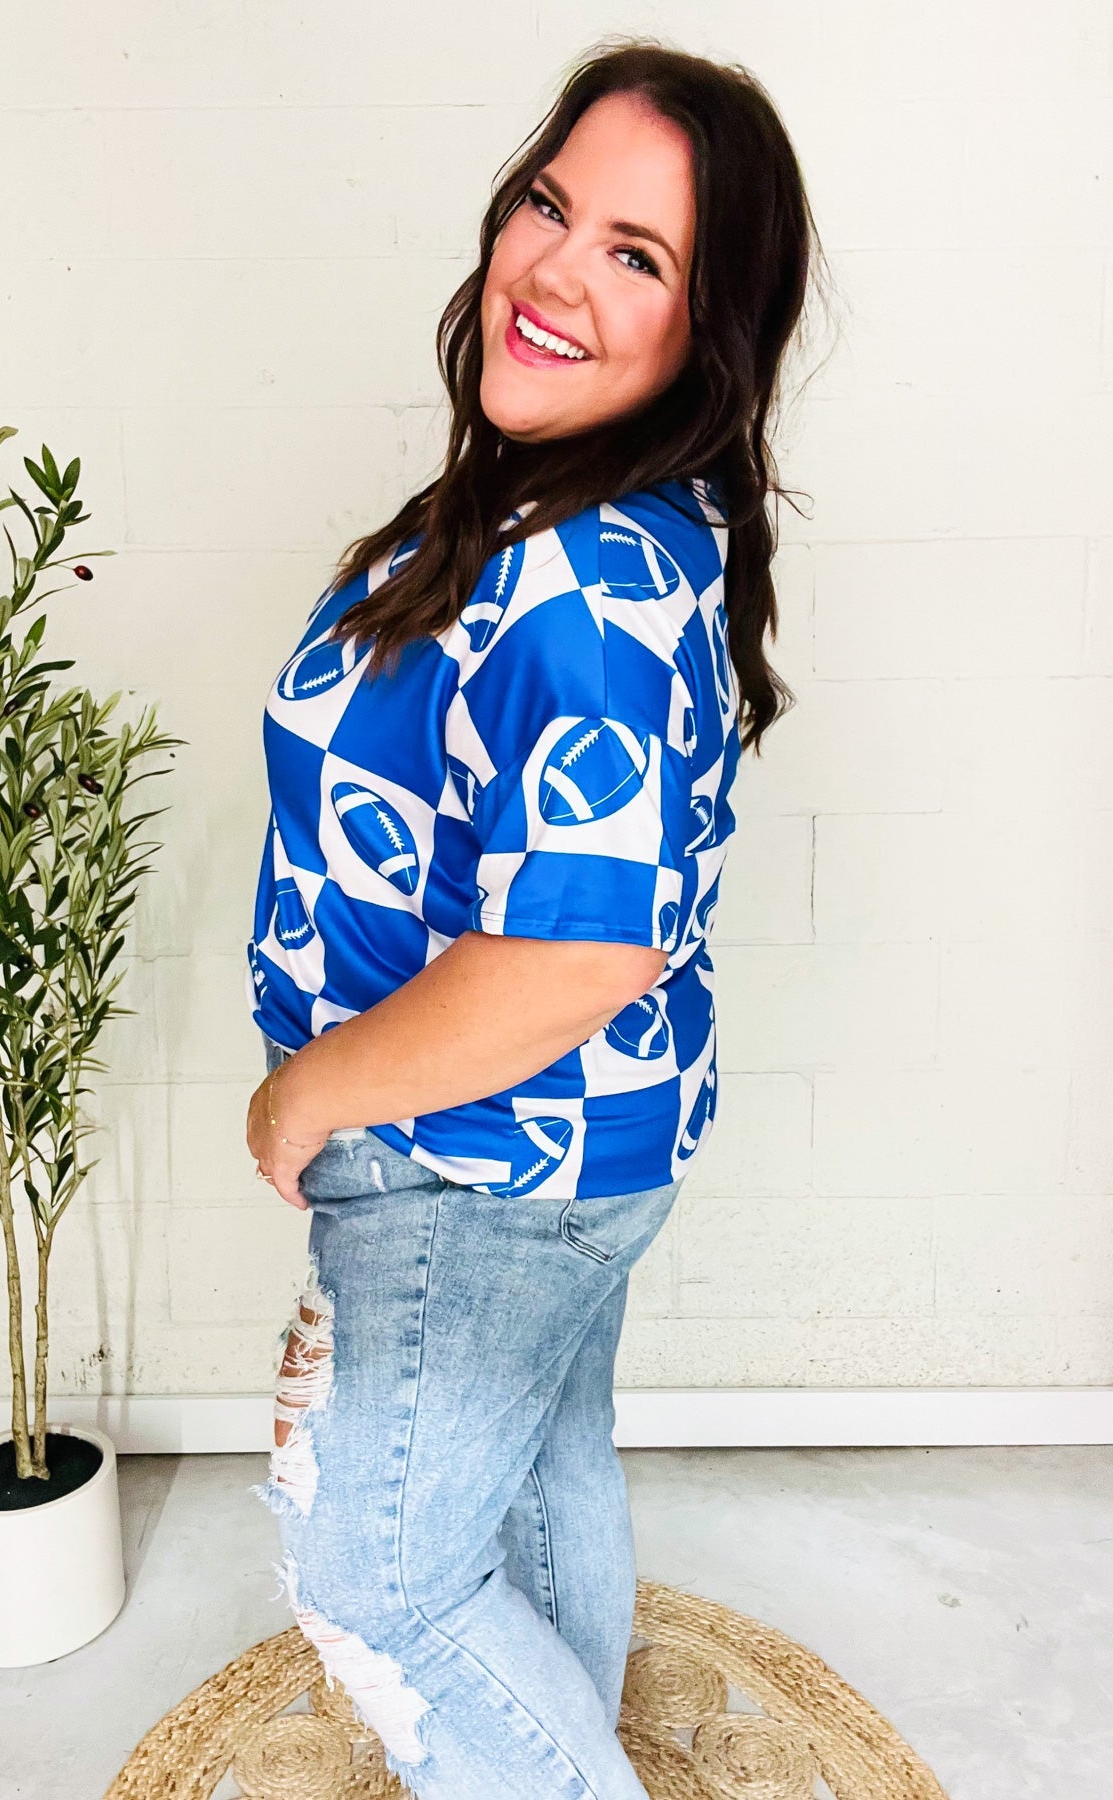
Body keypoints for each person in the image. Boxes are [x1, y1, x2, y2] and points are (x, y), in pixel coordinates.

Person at [244, 37, 826, 1800]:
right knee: (546, 1467)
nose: (555, 270)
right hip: (578, 1158)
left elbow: (579, 947)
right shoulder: (610, 509)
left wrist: (309, 1091)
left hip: (473, 1166)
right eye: (550, 204)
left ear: (702, 332)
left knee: (383, 1587)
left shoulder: (578, 567)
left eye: (636, 256)